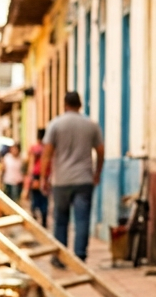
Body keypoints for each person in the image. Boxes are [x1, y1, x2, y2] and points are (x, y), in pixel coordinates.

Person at [40, 92, 103, 266]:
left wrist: (44, 177)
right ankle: (80, 256)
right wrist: (97, 172)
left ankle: (60, 258)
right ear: (80, 105)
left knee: (61, 220)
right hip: (84, 179)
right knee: (82, 219)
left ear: (64, 104)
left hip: (61, 180)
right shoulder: (91, 125)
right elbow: (101, 151)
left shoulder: (56, 124)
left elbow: (47, 153)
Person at [23, 128, 49, 226]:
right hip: (46, 176)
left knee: (35, 199)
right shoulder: (47, 148)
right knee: (44, 200)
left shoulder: (34, 148)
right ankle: (44, 222)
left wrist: (29, 178)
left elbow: (31, 164)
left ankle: (35, 221)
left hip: (36, 176)